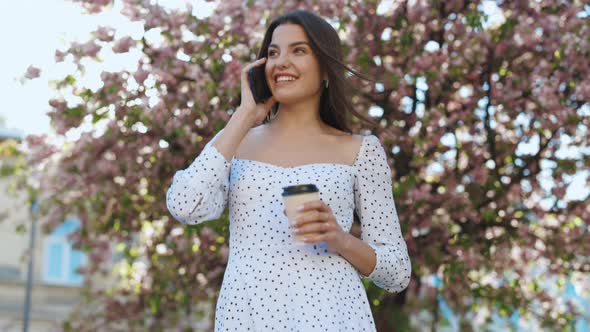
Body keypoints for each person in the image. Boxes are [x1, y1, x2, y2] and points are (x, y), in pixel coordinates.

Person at [166, 9, 411, 331]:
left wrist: (341, 240)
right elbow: (184, 205)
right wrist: (244, 115)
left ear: (325, 68)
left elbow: (397, 272)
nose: (280, 62)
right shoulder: (235, 142)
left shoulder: (361, 151)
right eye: (272, 52)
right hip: (249, 316)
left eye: (299, 50)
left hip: (333, 316)